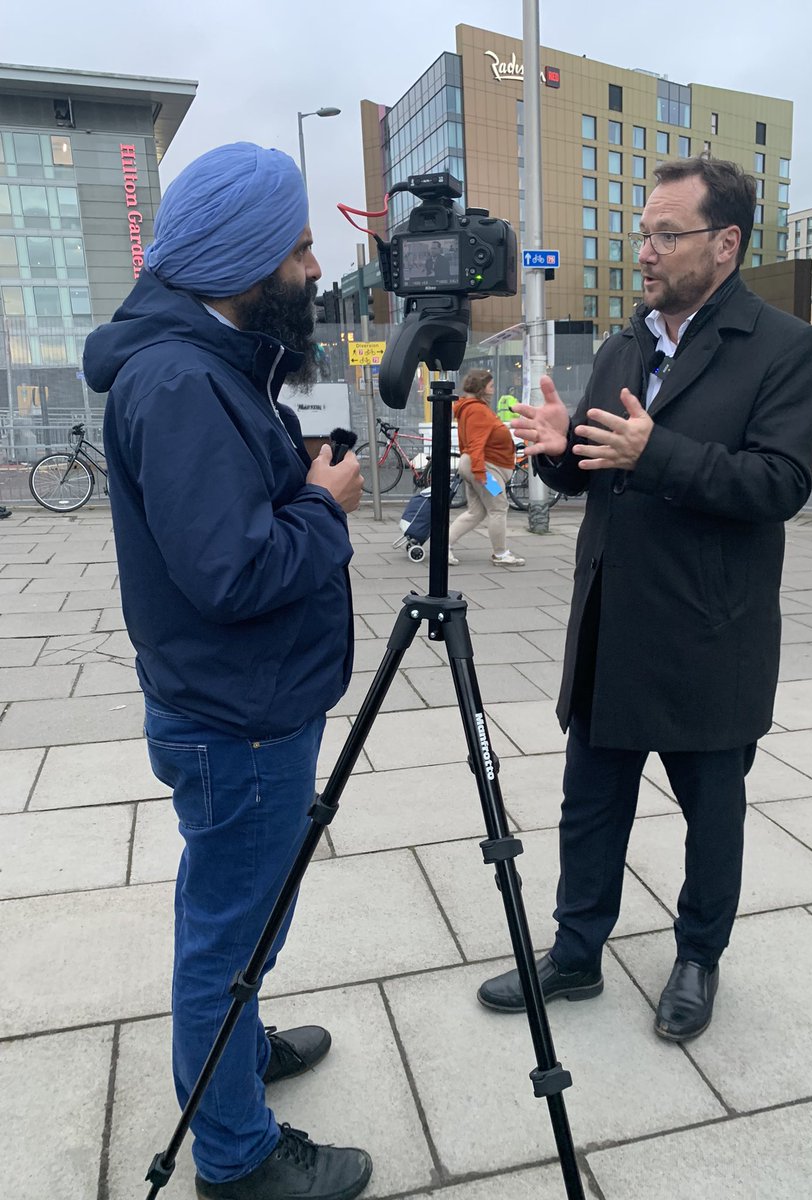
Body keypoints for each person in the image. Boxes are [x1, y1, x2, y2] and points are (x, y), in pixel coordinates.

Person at [477, 157, 812, 1041]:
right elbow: (599, 467)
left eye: (666, 235)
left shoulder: (784, 348)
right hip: (612, 623)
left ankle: (698, 958)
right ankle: (576, 952)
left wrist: (653, 452)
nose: (645, 251)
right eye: (642, 233)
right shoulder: (625, 346)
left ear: (726, 243)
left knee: (712, 814)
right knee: (589, 801)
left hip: (712, 632)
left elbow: (780, 483)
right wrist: (558, 449)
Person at [82, 143, 371, 1200]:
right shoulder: (182, 378)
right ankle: (237, 1158)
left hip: (241, 702)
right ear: (246, 262)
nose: (310, 267)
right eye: (298, 248)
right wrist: (323, 506)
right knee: (227, 936)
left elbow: (218, 528)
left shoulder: (201, 362)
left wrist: (284, 479)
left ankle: (235, 1062)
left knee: (247, 913)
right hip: (237, 715)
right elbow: (234, 572)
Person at [447, 368, 525, 567]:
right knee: (499, 507)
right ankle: (500, 554)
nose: (493, 389)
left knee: (476, 512)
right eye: (490, 386)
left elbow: (472, 443)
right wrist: (481, 474)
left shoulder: (470, 407)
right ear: (481, 388)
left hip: (477, 466)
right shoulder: (477, 410)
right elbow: (476, 442)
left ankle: (443, 546)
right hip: (484, 469)